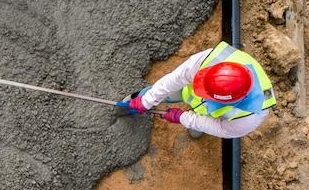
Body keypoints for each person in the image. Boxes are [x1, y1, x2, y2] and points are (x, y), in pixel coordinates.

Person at [117, 41, 275, 139]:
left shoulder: (250, 118)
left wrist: (184, 118)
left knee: (198, 125)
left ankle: (195, 122)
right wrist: (147, 101)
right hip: (187, 91)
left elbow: (220, 128)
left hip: (210, 114)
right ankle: (132, 102)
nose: (201, 92)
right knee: (149, 94)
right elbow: (176, 78)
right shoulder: (213, 59)